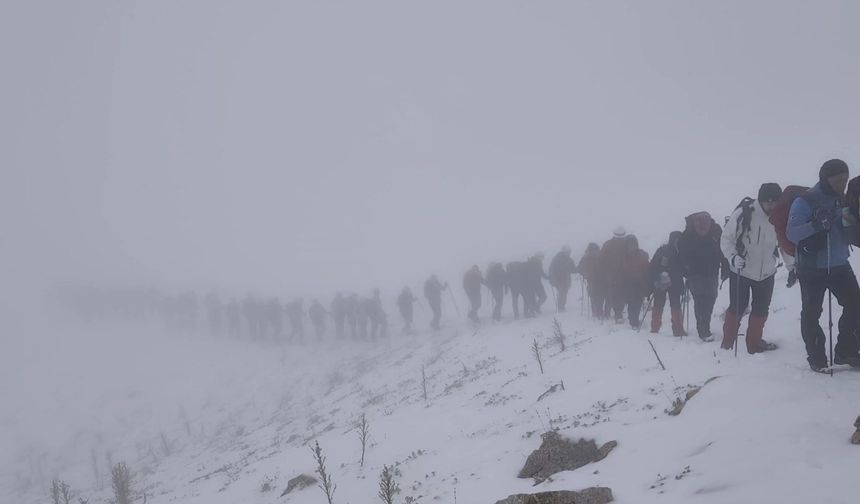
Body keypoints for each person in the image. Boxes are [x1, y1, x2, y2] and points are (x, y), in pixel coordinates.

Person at [787, 159, 860, 371]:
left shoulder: (842, 200)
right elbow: (792, 233)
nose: (842, 185)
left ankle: (846, 351)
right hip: (811, 268)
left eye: (845, 180)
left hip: (839, 264)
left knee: (856, 305)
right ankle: (817, 357)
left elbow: (847, 231)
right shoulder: (805, 201)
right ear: (825, 178)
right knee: (812, 313)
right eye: (838, 181)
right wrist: (815, 225)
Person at [720, 183, 782, 354]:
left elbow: (784, 240)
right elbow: (726, 239)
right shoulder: (744, 214)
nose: (771, 207)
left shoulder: (780, 215)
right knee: (737, 307)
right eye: (767, 203)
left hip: (767, 272)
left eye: (775, 203)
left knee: (761, 309)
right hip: (742, 269)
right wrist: (733, 258)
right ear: (760, 200)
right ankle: (727, 343)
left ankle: (753, 344)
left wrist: (792, 265)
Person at [678, 212, 726, 341]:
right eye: (700, 228)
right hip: (695, 273)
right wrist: (685, 268)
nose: (702, 231)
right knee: (700, 300)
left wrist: (725, 266)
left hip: (712, 271)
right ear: (695, 225)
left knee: (710, 299)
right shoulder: (687, 235)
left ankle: (705, 325)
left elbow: (723, 249)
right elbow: (681, 253)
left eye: (705, 228)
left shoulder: (716, 232)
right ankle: (703, 330)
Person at [650, 231, 686, 336]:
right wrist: (658, 276)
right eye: (676, 239)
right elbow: (653, 266)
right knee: (661, 304)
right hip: (664, 281)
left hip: (672, 281)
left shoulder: (678, 250)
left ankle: (676, 329)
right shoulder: (666, 250)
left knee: (674, 305)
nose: (678, 241)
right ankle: (657, 328)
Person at [599, 227, 630, 322]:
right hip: (624, 275)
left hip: (610, 275)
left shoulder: (607, 244)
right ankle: (618, 313)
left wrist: (603, 273)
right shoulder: (627, 244)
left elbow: (600, 260)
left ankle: (612, 312)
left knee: (612, 294)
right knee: (621, 294)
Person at [620, 235, 650, 329]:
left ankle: (634, 320)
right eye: (630, 245)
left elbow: (646, 267)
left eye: (633, 244)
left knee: (638, 302)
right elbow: (620, 270)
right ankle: (633, 321)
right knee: (631, 302)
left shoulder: (640, 254)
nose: (631, 247)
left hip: (639, 282)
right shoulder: (623, 256)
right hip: (628, 282)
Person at [577, 243, 603, 318]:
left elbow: (579, 268)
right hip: (600, 278)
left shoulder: (586, 257)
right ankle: (599, 310)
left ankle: (594, 311)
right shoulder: (601, 255)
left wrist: (584, 274)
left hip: (590, 279)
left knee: (593, 295)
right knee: (600, 295)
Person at [549, 246, 577, 312]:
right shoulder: (557, 259)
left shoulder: (568, 259)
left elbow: (573, 269)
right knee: (562, 292)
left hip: (565, 279)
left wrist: (578, 270)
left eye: (569, 252)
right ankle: (561, 307)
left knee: (563, 292)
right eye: (568, 252)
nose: (569, 253)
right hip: (558, 279)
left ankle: (562, 306)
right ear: (564, 252)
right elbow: (551, 269)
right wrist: (552, 277)